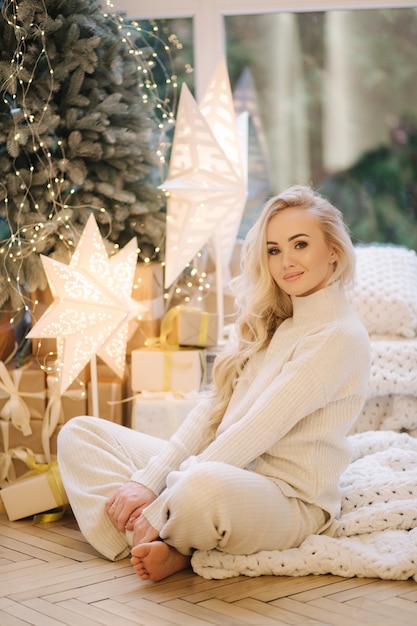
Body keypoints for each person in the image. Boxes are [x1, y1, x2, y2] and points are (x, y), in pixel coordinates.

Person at [57, 184, 371, 582]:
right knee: (80, 434)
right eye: (274, 250)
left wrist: (159, 501)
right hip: (227, 472)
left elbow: (256, 430)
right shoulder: (276, 323)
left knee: (200, 487)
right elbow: (211, 414)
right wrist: (148, 482)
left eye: (300, 244)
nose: (286, 261)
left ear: (334, 252)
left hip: (289, 500)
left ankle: (170, 540)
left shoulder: (338, 336)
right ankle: (153, 538)